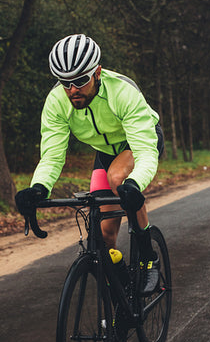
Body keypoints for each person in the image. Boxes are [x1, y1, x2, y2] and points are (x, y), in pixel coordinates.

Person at [15, 33, 164, 299]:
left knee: (119, 178)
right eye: (65, 83)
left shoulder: (122, 92)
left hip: (140, 141)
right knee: (105, 237)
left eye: (80, 81)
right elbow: (52, 156)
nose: (73, 90)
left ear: (97, 72)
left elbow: (144, 152)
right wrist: (38, 189)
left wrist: (135, 184)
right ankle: (122, 292)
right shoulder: (57, 103)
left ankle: (149, 257)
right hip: (106, 152)